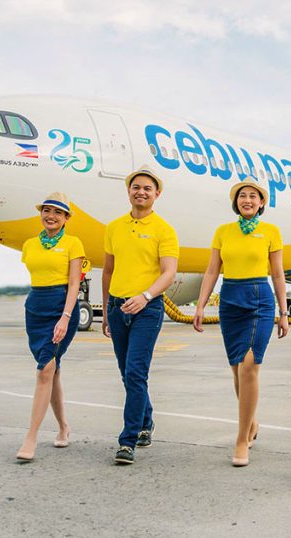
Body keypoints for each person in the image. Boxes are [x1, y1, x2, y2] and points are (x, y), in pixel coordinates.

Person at [193, 179, 289, 467]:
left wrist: (284, 312)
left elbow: (279, 274)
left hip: (260, 298)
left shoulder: (271, 232)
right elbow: (212, 271)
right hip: (231, 298)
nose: (247, 200)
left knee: (250, 364)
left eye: (253, 196)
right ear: (236, 202)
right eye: (242, 196)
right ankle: (252, 421)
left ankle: (240, 438)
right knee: (237, 369)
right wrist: (200, 305)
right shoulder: (223, 232)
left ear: (261, 203)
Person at [102, 166, 179, 464]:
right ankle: (146, 421)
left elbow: (169, 272)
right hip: (117, 307)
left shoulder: (164, 229)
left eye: (147, 188)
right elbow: (108, 270)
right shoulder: (114, 227)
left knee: (135, 372)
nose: (141, 192)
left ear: (156, 194)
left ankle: (127, 440)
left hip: (147, 309)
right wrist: (107, 310)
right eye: (136, 187)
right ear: (129, 191)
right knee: (127, 374)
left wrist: (145, 296)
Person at [15, 192, 84, 461]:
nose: (51, 216)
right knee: (51, 371)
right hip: (35, 307)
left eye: (57, 212)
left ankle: (30, 437)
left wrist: (65, 317)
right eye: (47, 210)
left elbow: (74, 284)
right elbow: (37, 277)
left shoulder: (73, 243)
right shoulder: (30, 244)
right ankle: (64, 427)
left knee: (44, 370)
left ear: (66, 218)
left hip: (61, 306)